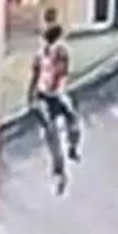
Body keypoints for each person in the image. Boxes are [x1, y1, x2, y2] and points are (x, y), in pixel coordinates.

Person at [27, 12, 81, 193]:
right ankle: (59, 171)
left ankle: (73, 147)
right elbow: (37, 75)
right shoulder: (42, 54)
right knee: (53, 134)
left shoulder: (60, 51)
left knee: (73, 120)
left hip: (55, 94)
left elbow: (62, 71)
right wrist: (32, 96)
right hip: (45, 95)